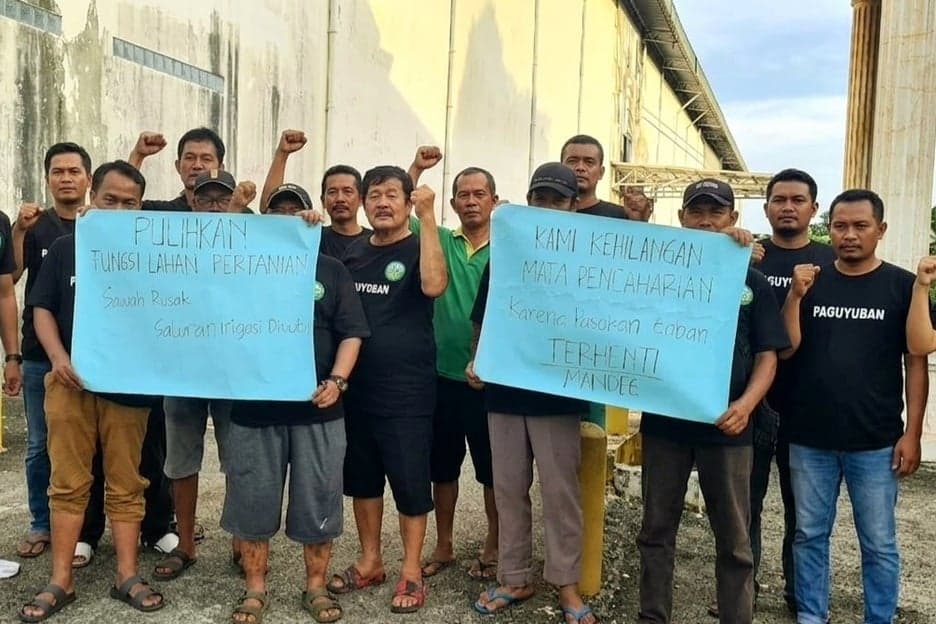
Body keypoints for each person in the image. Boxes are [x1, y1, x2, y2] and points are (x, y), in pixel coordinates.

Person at [637, 178, 789, 624]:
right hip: (665, 423)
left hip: (729, 427)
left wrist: (746, 405)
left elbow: (768, 357)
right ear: (682, 219)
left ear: (733, 220)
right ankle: (652, 616)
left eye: (716, 213)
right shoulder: (655, 278)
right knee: (656, 532)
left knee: (735, 541)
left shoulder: (753, 282)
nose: (706, 221)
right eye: (697, 212)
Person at [19, 161, 165, 621]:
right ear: (93, 198)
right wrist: (58, 358)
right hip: (70, 385)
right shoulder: (66, 248)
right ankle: (61, 580)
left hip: (130, 388)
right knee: (67, 484)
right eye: (110, 200)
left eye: (130, 203)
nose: (120, 209)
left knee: (126, 483)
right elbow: (40, 307)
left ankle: (126, 575)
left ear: (141, 206)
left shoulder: (155, 253)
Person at [223, 183, 369, 624]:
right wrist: (237, 209)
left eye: (296, 209)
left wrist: (338, 381)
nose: (286, 215)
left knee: (319, 500)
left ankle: (316, 587)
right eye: (276, 210)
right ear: (261, 218)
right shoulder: (239, 267)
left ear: (310, 214)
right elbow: (208, 270)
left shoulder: (329, 268)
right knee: (252, 501)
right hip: (254, 411)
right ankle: (254, 588)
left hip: (318, 409)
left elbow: (351, 332)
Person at [781, 189, 928, 624]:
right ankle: (812, 616)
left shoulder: (902, 286)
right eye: (840, 226)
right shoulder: (812, 281)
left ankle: (878, 618)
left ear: (880, 231)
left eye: (860, 226)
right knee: (809, 535)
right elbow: (787, 349)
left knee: (879, 542)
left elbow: (916, 363)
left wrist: (913, 433)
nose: (849, 235)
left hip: (876, 441)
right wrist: (793, 296)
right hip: (809, 437)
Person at [467, 162, 598, 624]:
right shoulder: (506, 255)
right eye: (538, 198)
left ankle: (567, 585)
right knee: (508, 489)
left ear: (573, 205)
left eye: (556, 200)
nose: (546, 207)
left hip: (557, 396)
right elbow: (482, 319)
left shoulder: (591, 261)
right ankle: (514, 576)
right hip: (503, 393)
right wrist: (477, 360)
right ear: (528, 201)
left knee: (560, 493)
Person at [325, 166, 447, 614]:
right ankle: (371, 559)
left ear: (407, 201)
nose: (381, 203)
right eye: (373, 195)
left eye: (392, 195)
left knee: (411, 482)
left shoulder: (420, 247)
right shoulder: (352, 253)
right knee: (363, 481)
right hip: (356, 390)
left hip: (407, 392)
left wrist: (429, 217)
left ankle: (411, 570)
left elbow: (435, 285)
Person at [738, 168, 834, 616]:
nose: (788, 207)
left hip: (808, 408)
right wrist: (734, 254)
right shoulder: (745, 255)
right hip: (753, 404)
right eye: (780, 199)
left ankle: (800, 596)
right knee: (746, 505)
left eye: (798, 200)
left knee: (804, 516)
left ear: (814, 209)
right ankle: (742, 592)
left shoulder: (834, 262)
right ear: (767, 208)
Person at [407, 147, 500, 581]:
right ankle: (443, 546)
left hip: (490, 381)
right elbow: (404, 205)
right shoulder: (438, 239)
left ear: (494, 201)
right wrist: (418, 169)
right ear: (452, 204)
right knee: (442, 469)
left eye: (479, 193)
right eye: (462, 194)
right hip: (439, 377)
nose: (470, 201)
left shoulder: (510, 250)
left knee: (493, 472)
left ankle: (494, 545)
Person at [153, 169, 245, 582]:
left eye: (221, 199)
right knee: (180, 462)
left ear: (233, 202)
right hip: (182, 370)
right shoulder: (168, 243)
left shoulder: (252, 242)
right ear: (191, 200)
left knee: (238, 459)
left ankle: (242, 542)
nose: (213, 206)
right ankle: (185, 543)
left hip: (233, 372)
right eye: (205, 198)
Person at [11, 142, 89, 561]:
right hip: (42, 355)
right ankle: (42, 524)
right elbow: (14, 275)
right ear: (47, 179)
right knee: (41, 445)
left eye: (74, 171)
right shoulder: (35, 225)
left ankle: (88, 530)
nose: (66, 178)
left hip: (96, 356)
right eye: (58, 171)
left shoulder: (101, 224)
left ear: (87, 179)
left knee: (93, 448)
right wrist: (20, 231)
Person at [260, 129, 371, 257]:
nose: (340, 198)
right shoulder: (311, 237)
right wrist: (282, 154)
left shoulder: (375, 241)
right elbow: (267, 209)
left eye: (347, 191)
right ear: (323, 201)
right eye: (332, 192)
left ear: (361, 200)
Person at [560, 134, 628, 219]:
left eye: (589, 162)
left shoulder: (620, 217)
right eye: (572, 161)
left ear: (601, 172)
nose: (580, 168)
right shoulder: (544, 211)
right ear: (561, 167)